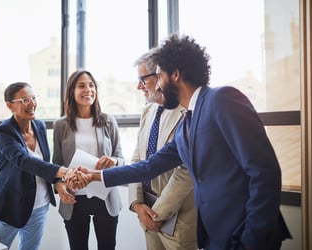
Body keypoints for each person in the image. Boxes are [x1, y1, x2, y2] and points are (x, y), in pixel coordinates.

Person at [74, 34, 292, 250]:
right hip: (216, 236)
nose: (157, 86)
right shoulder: (187, 123)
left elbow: (265, 172)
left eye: (159, 77)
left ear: (175, 75)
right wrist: (95, 176)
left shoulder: (222, 99)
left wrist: (252, 240)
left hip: (244, 235)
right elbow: (148, 167)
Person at [0, 82, 74, 250]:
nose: (32, 103)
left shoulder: (39, 126)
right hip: (10, 205)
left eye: (34, 98)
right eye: (25, 100)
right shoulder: (4, 131)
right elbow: (23, 160)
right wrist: (63, 171)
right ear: (9, 105)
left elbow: (43, 164)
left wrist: (57, 182)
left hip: (39, 206)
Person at [129, 49, 197, 250]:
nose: (138, 86)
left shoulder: (187, 112)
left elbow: (186, 173)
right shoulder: (147, 111)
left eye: (143, 79)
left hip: (178, 219)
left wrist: (157, 213)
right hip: (146, 213)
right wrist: (137, 204)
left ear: (160, 76)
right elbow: (137, 160)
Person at [53, 69, 124, 250]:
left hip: (105, 196)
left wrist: (113, 161)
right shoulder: (61, 125)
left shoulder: (108, 120)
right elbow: (56, 164)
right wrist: (59, 185)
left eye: (91, 85)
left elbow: (121, 159)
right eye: (82, 86)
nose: (88, 90)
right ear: (72, 91)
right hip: (74, 198)